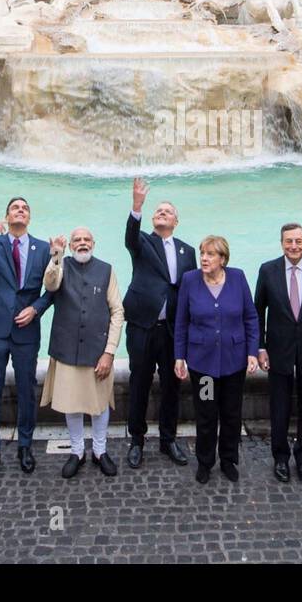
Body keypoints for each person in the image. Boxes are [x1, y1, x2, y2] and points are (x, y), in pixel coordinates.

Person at [0, 197, 54, 482]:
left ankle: (25, 446)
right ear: (6, 215)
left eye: (25, 208)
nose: (20, 211)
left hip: (26, 329)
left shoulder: (43, 248)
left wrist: (36, 309)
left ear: (30, 217)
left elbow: (52, 289)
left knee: (27, 390)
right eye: (15, 207)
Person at [173, 236, 260, 484]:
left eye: (210, 254)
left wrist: (252, 351)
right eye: (203, 253)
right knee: (207, 414)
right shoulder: (190, 280)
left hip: (234, 363)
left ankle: (229, 459)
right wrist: (179, 356)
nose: (204, 258)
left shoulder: (238, 277)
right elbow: (181, 322)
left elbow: (251, 318)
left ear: (223, 259)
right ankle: (205, 461)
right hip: (204, 366)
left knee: (232, 413)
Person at [122, 177, 196, 469]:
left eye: (168, 211)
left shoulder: (187, 251)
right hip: (142, 326)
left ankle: (168, 440)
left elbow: (190, 289)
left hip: (172, 330)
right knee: (138, 383)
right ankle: (137, 441)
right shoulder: (141, 242)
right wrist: (137, 206)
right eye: (158, 210)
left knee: (171, 387)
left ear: (176, 221)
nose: (162, 213)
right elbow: (129, 236)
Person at [41, 227, 124, 478]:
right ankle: (77, 451)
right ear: (71, 245)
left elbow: (117, 312)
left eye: (86, 239)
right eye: (77, 240)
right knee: (71, 404)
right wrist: (55, 255)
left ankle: (100, 450)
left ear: (94, 243)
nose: (82, 243)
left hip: (97, 351)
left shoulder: (107, 269)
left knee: (99, 405)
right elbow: (50, 284)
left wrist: (109, 352)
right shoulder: (61, 265)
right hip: (66, 348)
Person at [253, 223, 302, 484]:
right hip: (278, 350)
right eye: (289, 241)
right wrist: (260, 347)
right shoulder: (268, 270)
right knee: (279, 406)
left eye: (298, 241)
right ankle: (280, 458)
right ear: (281, 243)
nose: (294, 246)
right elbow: (257, 312)